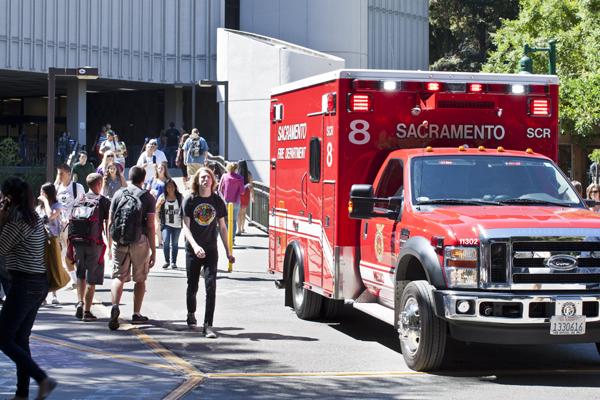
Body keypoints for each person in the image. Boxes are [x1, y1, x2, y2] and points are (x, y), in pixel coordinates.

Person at [0, 177, 58, 399]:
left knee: (3, 338)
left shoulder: (15, 221)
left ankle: (42, 378)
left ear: (10, 197)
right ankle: (22, 393)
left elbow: (1, 249)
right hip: (38, 283)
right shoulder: (32, 216)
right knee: (20, 339)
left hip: (23, 284)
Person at [181, 168, 235, 338]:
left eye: (208, 177)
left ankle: (208, 325)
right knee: (193, 285)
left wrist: (228, 251)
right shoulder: (190, 200)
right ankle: (191, 312)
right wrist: (195, 246)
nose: (205, 180)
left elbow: (223, 227)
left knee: (211, 286)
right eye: (202, 177)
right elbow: (186, 227)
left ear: (213, 181)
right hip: (193, 249)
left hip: (211, 249)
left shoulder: (217, 201)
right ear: (198, 180)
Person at [107, 166, 156, 331]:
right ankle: (136, 313)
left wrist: (109, 244)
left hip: (119, 239)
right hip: (139, 241)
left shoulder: (119, 194)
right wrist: (153, 251)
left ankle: (115, 306)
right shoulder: (148, 197)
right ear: (143, 179)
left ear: (129, 177)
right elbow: (150, 226)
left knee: (118, 276)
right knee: (140, 278)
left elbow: (110, 221)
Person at [72, 173, 111, 322]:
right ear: (99, 184)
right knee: (91, 278)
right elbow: (108, 224)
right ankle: (87, 311)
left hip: (78, 242)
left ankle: (80, 302)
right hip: (95, 243)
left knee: (80, 274)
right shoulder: (102, 201)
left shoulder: (79, 200)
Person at [55, 163, 85, 290]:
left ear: (68, 174)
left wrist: (73, 217)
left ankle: (78, 280)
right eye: (58, 173)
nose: (59, 176)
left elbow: (83, 205)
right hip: (60, 226)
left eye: (61, 173)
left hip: (73, 226)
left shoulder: (77, 187)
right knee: (63, 254)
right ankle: (74, 280)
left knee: (72, 254)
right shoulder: (57, 188)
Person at [35, 183, 62, 305]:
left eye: (43, 192)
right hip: (41, 241)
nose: (41, 195)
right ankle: (43, 296)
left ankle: (54, 294)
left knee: (54, 266)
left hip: (53, 239)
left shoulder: (57, 205)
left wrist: (46, 201)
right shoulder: (38, 208)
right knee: (43, 268)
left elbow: (51, 215)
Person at [157, 179, 183, 269]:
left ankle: (173, 262)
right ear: (165, 188)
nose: (170, 188)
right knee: (166, 242)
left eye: (172, 186)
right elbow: (156, 209)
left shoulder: (180, 197)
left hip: (177, 224)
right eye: (168, 187)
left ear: (175, 187)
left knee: (175, 243)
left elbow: (185, 209)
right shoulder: (162, 197)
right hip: (166, 224)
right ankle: (167, 261)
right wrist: (160, 203)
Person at [218, 162, 245, 239]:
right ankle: (232, 239)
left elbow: (219, 189)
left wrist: (223, 200)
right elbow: (242, 192)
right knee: (233, 221)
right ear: (236, 169)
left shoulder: (224, 176)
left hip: (225, 202)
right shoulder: (240, 178)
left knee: (226, 221)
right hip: (236, 202)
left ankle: (226, 238)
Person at [237, 160, 254, 235]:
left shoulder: (237, 174)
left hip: (238, 194)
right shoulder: (249, 174)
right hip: (246, 194)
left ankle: (239, 229)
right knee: (243, 213)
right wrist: (252, 196)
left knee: (238, 213)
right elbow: (251, 186)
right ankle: (243, 228)